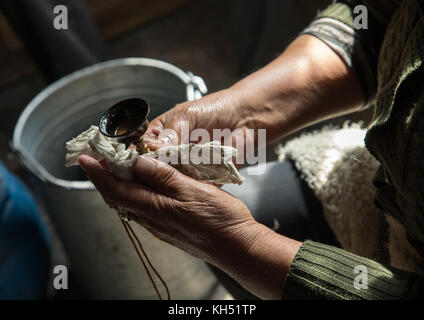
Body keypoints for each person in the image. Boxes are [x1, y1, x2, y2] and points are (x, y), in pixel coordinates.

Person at [78, 0, 424, 299]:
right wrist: (244, 112)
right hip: (395, 181)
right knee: (244, 209)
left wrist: (245, 248)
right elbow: (373, 18)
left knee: (223, 242)